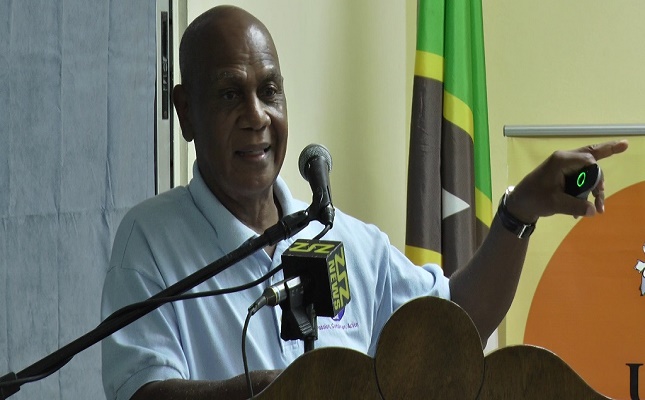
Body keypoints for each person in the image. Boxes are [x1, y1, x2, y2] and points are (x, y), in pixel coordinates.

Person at [100, 5, 628, 400]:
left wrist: (520, 212)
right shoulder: (150, 241)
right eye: (229, 94)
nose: (257, 116)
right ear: (186, 112)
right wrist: (287, 389)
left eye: (270, 90)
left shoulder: (346, 240)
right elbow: (143, 392)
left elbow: (455, 324)